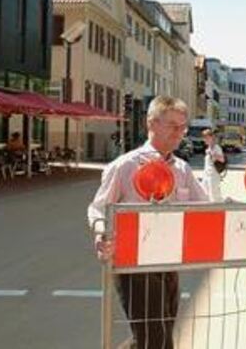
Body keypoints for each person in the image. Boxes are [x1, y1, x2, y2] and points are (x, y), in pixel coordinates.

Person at [87, 96, 208, 348]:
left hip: (168, 261)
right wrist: (101, 233)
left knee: (159, 332)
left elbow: (205, 209)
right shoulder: (125, 166)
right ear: (151, 123)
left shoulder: (182, 169)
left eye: (183, 127)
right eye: (173, 125)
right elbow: (98, 208)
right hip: (134, 264)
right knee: (155, 338)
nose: (180, 133)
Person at [202, 128, 225, 202]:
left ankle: (219, 209)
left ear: (211, 137)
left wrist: (213, 154)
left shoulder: (216, 147)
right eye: (204, 137)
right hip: (207, 174)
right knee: (206, 193)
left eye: (206, 137)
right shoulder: (208, 148)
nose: (205, 139)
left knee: (215, 195)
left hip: (213, 174)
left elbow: (222, 159)